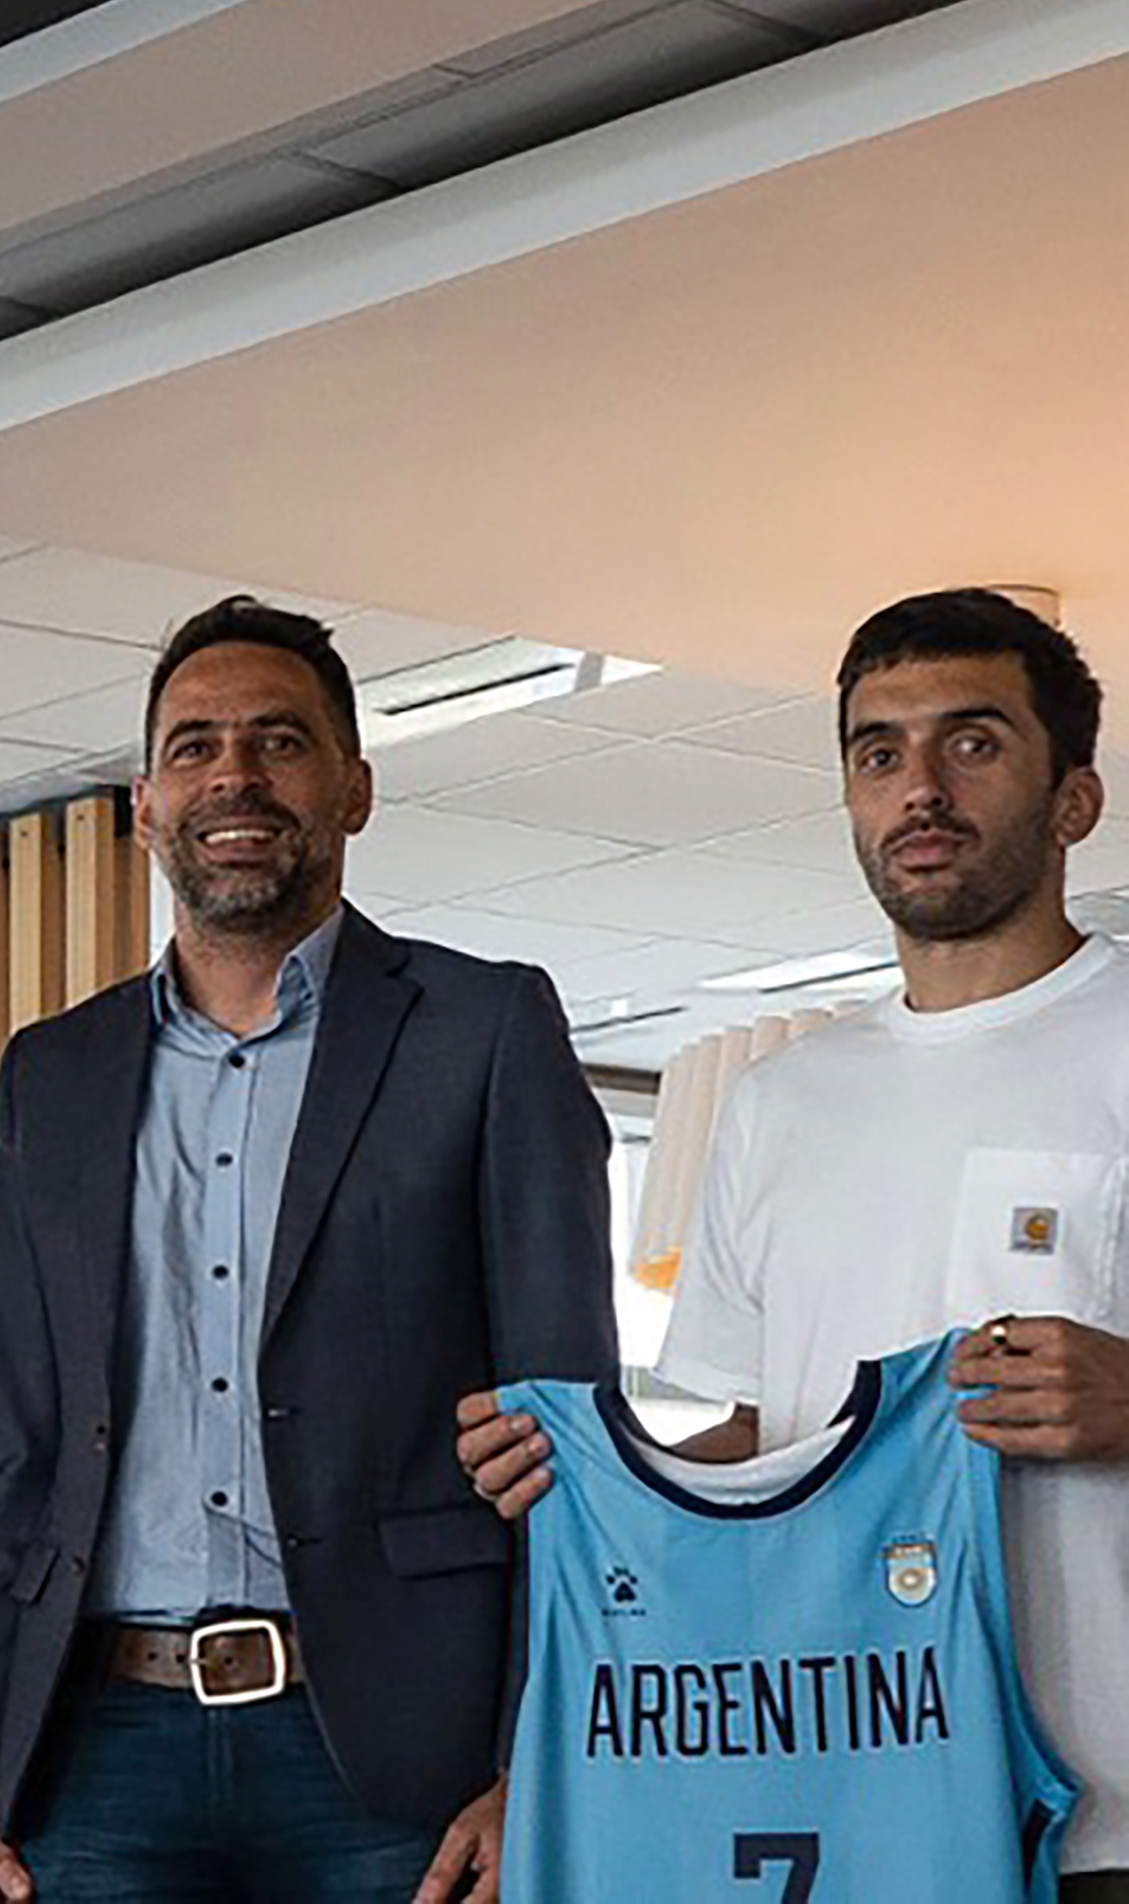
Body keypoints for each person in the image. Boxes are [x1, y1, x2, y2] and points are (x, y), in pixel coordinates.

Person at [0, 596, 617, 1904]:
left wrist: (539, 1757)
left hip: (397, 1755)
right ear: (144, 803)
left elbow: (567, 1440)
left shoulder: (481, 1032)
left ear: (353, 787)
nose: (233, 776)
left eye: (278, 742)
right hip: (95, 1754)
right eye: (192, 748)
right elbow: (19, 1449)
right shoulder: (51, 1075)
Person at [459, 588, 1129, 1899]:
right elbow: (775, 1438)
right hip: (856, 1807)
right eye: (879, 753)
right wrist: (594, 1480)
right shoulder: (779, 1103)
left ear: (1075, 801)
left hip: (1112, 1824)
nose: (919, 788)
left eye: (973, 743)